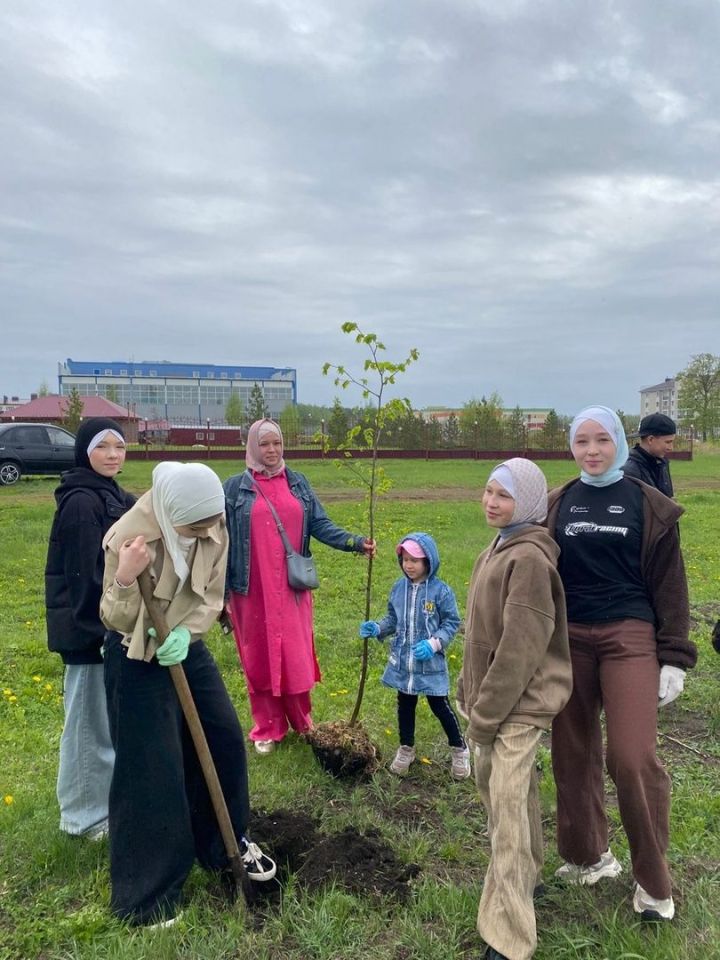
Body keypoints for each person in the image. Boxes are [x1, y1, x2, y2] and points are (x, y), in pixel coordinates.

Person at [100, 462, 276, 927]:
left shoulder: (213, 522)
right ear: (169, 512)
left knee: (222, 738)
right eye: (193, 526)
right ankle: (149, 895)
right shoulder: (128, 537)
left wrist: (186, 633)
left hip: (185, 645)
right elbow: (114, 618)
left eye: (209, 524)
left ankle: (225, 844)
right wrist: (125, 577)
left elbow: (211, 596)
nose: (204, 533)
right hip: (136, 652)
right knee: (151, 767)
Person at [548, 406, 697, 922]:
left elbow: (670, 582)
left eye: (601, 440)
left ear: (617, 442)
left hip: (628, 636)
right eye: (582, 442)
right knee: (571, 751)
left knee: (631, 758)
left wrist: (674, 655)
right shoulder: (558, 502)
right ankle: (589, 857)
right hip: (569, 639)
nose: (591, 451)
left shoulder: (647, 503)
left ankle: (655, 885)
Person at [456, 459, 571, 960]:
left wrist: (485, 715)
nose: (490, 501)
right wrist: (468, 690)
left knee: (504, 811)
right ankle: (530, 877)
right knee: (505, 794)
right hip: (488, 701)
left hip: (518, 706)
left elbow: (520, 650)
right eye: (487, 491)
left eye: (502, 495)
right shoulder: (497, 549)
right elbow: (479, 636)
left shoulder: (529, 561)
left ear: (527, 502)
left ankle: (508, 936)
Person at [223, 418, 375, 754]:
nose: (272, 450)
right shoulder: (234, 489)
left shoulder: (298, 482)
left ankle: (302, 721)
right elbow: (222, 542)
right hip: (252, 589)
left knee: (295, 655)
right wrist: (220, 593)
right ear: (252, 447)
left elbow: (320, 523)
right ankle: (267, 727)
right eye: (265, 444)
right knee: (259, 656)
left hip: (292, 588)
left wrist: (353, 542)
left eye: (276, 442)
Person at [45, 417, 135, 840]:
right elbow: (84, 576)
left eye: (119, 446)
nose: (114, 454)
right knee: (86, 726)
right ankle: (82, 816)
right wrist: (98, 633)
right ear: (85, 452)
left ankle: (102, 806)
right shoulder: (82, 502)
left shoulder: (112, 495)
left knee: (102, 722)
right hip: (89, 631)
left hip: (108, 626)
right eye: (104, 447)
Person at [359, 532, 469, 780]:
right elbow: (392, 619)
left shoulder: (441, 592)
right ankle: (406, 747)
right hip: (404, 663)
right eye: (405, 559)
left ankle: (459, 748)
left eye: (415, 560)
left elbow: (451, 622)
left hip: (429, 662)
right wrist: (378, 628)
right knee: (405, 705)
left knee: (439, 706)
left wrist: (434, 643)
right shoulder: (399, 589)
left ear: (428, 562)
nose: (409, 565)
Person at [622, 413, 677, 497]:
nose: (671, 448)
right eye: (668, 442)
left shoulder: (662, 463)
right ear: (650, 439)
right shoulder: (630, 470)